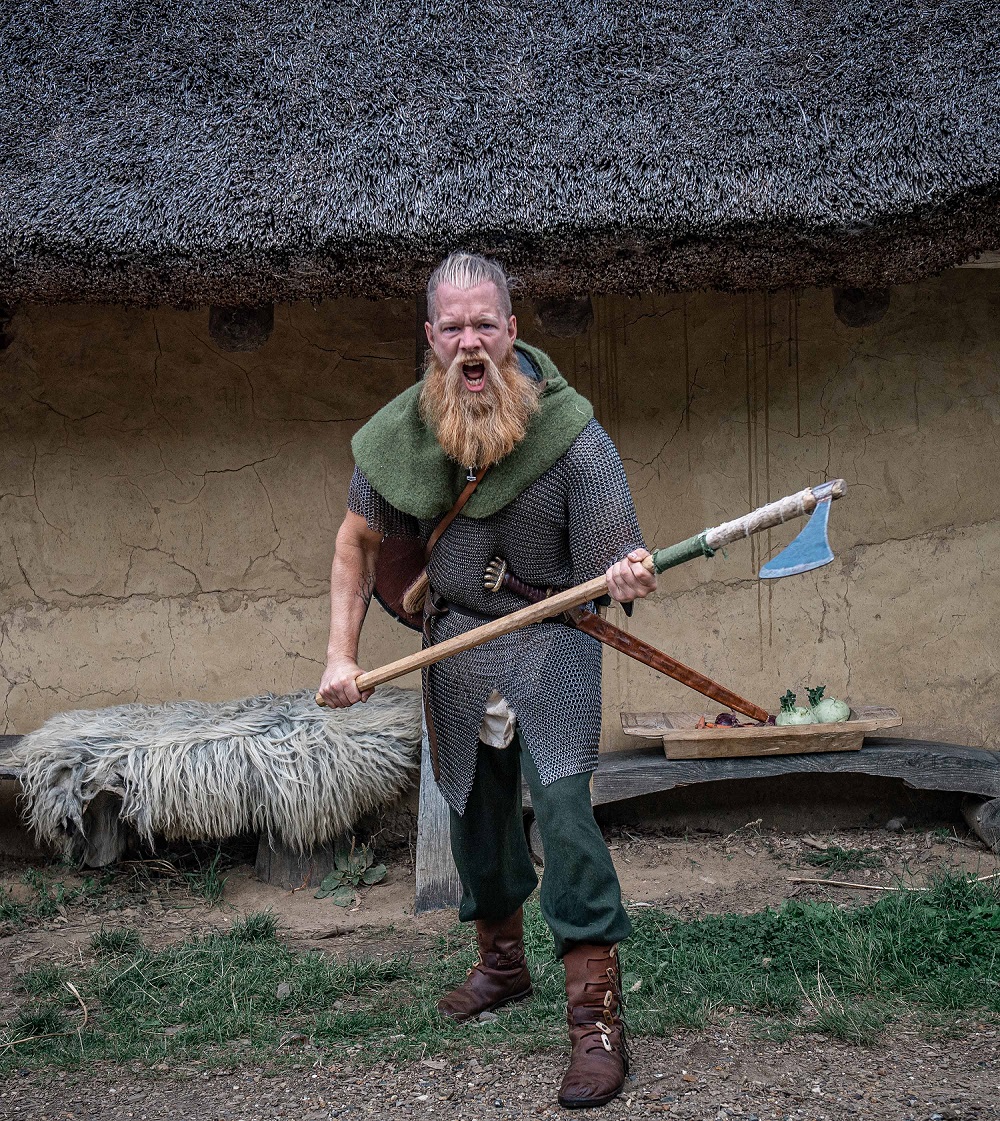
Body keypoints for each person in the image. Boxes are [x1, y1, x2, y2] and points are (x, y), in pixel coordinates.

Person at [318, 252, 656, 1110]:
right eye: (453, 327)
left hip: (553, 643)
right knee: (476, 814)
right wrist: (340, 655)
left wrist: (626, 570)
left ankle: (597, 1022)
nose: (471, 342)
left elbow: (617, 545)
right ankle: (502, 965)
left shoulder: (572, 432)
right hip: (455, 648)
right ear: (432, 338)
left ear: (511, 329)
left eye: (486, 324)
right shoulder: (405, 431)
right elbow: (357, 545)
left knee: (569, 820)